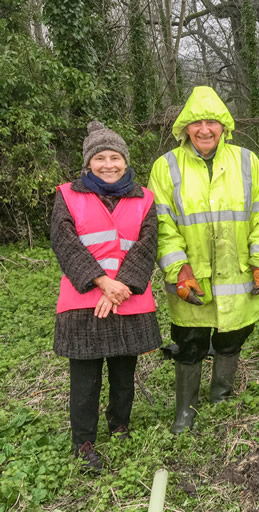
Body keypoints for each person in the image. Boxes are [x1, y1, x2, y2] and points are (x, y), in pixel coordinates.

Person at [148, 86, 259, 434]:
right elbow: (162, 224)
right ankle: (185, 411)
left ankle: (220, 395)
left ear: (224, 126)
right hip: (191, 279)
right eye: (196, 123)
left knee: (232, 336)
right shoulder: (166, 167)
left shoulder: (247, 162)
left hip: (237, 275)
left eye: (212, 122)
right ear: (184, 128)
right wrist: (179, 269)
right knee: (189, 341)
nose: (204, 129)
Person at [51, 121, 161, 474]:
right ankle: (84, 441)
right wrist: (101, 282)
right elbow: (64, 243)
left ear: (126, 162)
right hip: (83, 300)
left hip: (127, 297)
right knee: (84, 378)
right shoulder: (67, 195)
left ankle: (120, 426)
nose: (108, 164)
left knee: (123, 373)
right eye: (100, 158)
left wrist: (119, 288)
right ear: (88, 163)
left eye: (115, 157)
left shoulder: (145, 198)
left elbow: (147, 246)